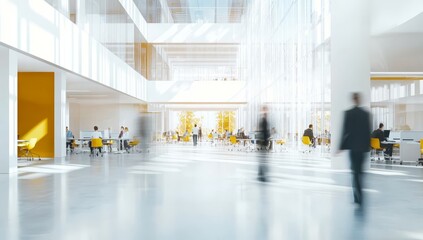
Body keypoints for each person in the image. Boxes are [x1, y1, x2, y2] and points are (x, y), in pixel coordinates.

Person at [338, 92, 371, 208]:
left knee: (355, 172)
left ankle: (357, 197)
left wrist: (340, 147)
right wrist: (368, 147)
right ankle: (360, 196)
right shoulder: (366, 114)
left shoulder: (348, 113)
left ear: (353, 100)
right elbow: (368, 132)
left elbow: (345, 131)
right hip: (362, 148)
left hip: (353, 147)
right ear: (359, 100)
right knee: (360, 172)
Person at [257, 105, 270, 182]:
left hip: (263, 141)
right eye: (266, 110)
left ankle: (261, 174)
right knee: (263, 159)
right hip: (263, 142)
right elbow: (263, 132)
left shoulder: (263, 120)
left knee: (263, 159)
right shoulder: (263, 121)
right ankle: (261, 175)